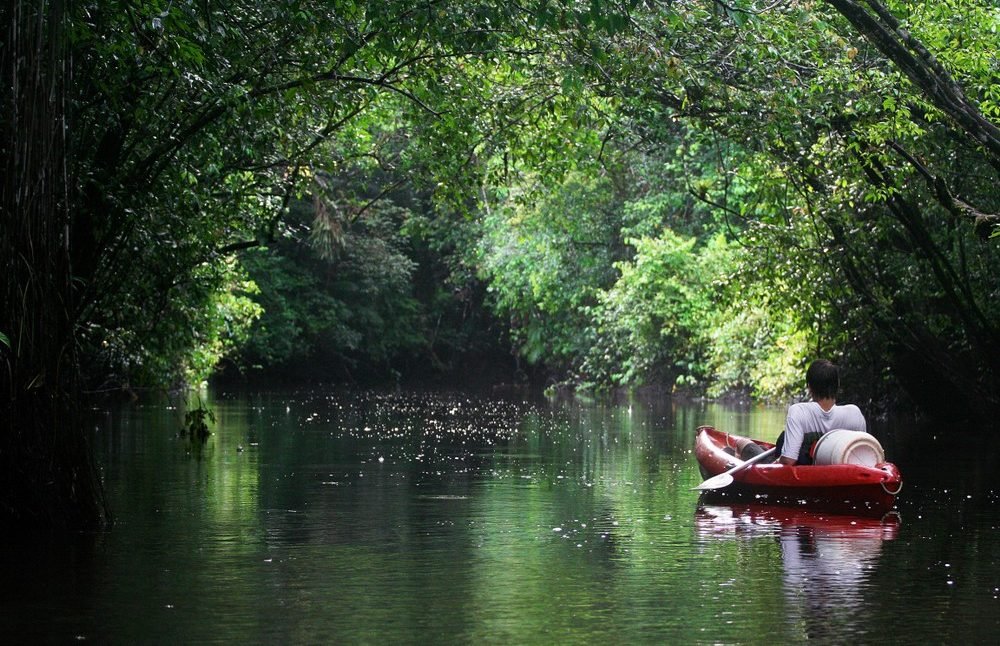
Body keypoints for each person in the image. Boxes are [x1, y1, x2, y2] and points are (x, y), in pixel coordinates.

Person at [775, 359, 867, 465]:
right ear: (837, 386)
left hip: (808, 471)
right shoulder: (855, 413)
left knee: (782, 439)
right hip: (844, 470)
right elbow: (865, 452)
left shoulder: (798, 411)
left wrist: (775, 463)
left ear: (809, 387)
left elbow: (788, 460)